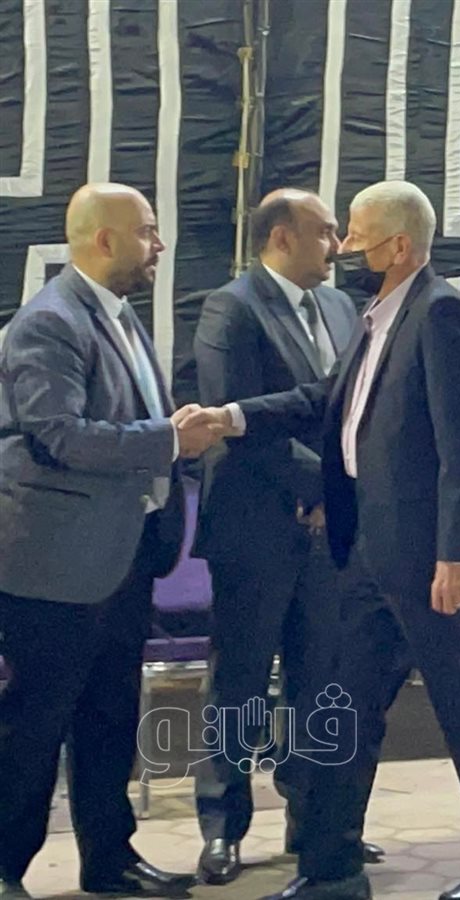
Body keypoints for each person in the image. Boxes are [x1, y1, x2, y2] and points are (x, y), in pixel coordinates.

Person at [182, 181, 460, 900]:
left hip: (425, 560)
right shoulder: (376, 316)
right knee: (342, 713)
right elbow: (326, 401)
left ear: (399, 246)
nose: (345, 249)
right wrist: (230, 417)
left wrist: (456, 553)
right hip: (366, 554)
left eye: (356, 235)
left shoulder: (440, 312)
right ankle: (331, 869)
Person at [0, 183, 217, 899]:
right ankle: (4, 867)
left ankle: (108, 859)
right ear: (104, 239)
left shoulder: (116, 316)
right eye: (148, 231)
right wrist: (168, 439)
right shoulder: (48, 322)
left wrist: (167, 436)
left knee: (109, 719)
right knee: (34, 726)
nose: (160, 245)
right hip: (55, 564)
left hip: (122, 556)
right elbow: (57, 435)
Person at [189, 189, 385, 882]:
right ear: (281, 237)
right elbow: (236, 421)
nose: (338, 247)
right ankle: (223, 827)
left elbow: (344, 410)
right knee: (240, 683)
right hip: (256, 526)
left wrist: (339, 495)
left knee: (321, 681)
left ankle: (316, 823)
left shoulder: (341, 308)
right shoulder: (232, 308)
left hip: (330, 533)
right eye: (325, 232)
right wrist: (321, 488)